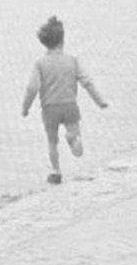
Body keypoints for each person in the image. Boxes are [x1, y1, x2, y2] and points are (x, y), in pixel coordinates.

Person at [21, 16, 109, 185]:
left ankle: (56, 172)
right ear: (63, 40)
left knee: (52, 141)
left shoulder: (39, 64)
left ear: (44, 42)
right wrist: (100, 101)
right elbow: (87, 82)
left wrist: (25, 108)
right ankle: (73, 138)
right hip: (70, 106)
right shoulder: (72, 60)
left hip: (50, 109)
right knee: (76, 140)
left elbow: (31, 88)